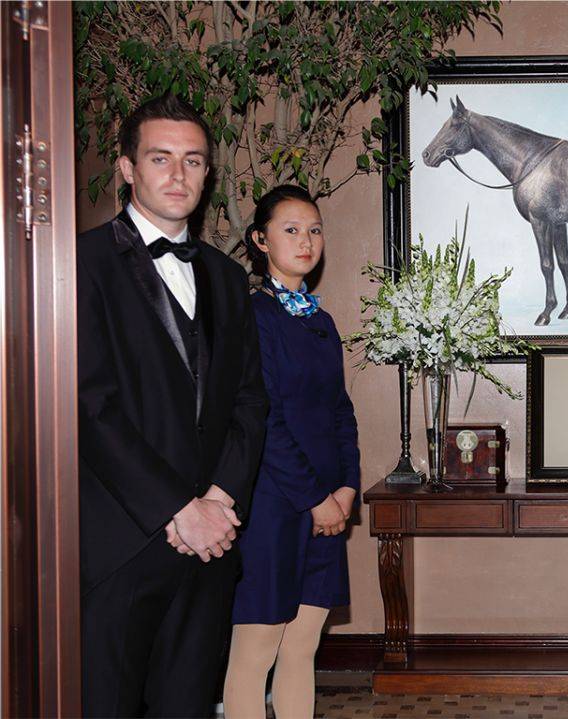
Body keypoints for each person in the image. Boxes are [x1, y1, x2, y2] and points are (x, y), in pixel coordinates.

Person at [77, 94, 268, 717]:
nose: (178, 174)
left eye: (193, 160)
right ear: (127, 168)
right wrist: (177, 509)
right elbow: (90, 407)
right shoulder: (79, 264)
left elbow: (249, 400)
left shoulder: (227, 277)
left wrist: (219, 500)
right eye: (160, 158)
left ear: (207, 172)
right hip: (122, 547)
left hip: (210, 548)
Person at [223, 185, 360, 718]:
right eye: (291, 230)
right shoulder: (252, 315)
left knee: (303, 645)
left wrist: (346, 487)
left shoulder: (321, 322)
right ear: (260, 240)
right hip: (273, 506)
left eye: (315, 230)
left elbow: (340, 411)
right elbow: (264, 419)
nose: (306, 241)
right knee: (256, 651)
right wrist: (315, 498)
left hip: (327, 506)